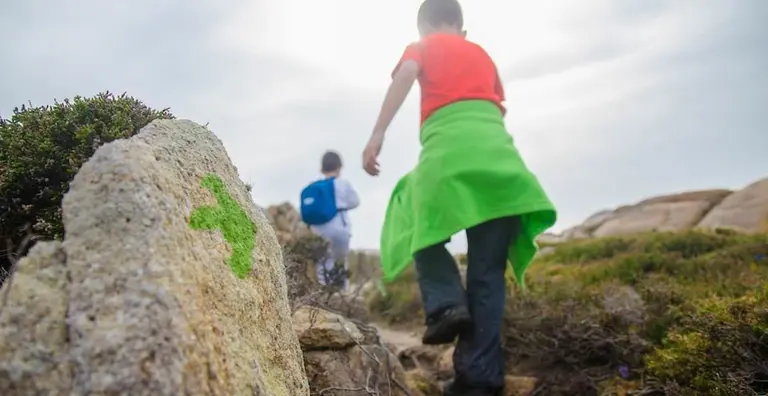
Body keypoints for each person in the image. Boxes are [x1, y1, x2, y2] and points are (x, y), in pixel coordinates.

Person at [361, 1, 557, 395]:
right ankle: (480, 379)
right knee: (487, 275)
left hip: (448, 160)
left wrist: (377, 133)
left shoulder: (423, 46)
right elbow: (497, 108)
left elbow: (407, 74)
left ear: (424, 28)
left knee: (418, 224)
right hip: (502, 166)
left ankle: (447, 303)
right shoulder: (481, 53)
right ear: (461, 29)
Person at [300, 150, 360, 289]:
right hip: (339, 228)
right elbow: (355, 202)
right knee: (340, 262)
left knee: (323, 262)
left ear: (322, 168)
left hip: (318, 229)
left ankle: (324, 293)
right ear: (339, 167)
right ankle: (341, 295)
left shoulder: (314, 187)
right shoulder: (342, 184)